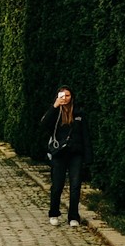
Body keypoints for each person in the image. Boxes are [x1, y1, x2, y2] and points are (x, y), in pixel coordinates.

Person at [38, 86, 90, 227]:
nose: (65, 98)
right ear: (58, 96)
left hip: (75, 154)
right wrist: (54, 107)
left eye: (68, 95)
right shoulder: (56, 113)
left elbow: (85, 136)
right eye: (62, 95)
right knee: (57, 185)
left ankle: (73, 217)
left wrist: (87, 157)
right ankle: (54, 213)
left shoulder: (79, 113)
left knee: (75, 186)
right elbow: (43, 125)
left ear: (72, 97)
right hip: (59, 153)